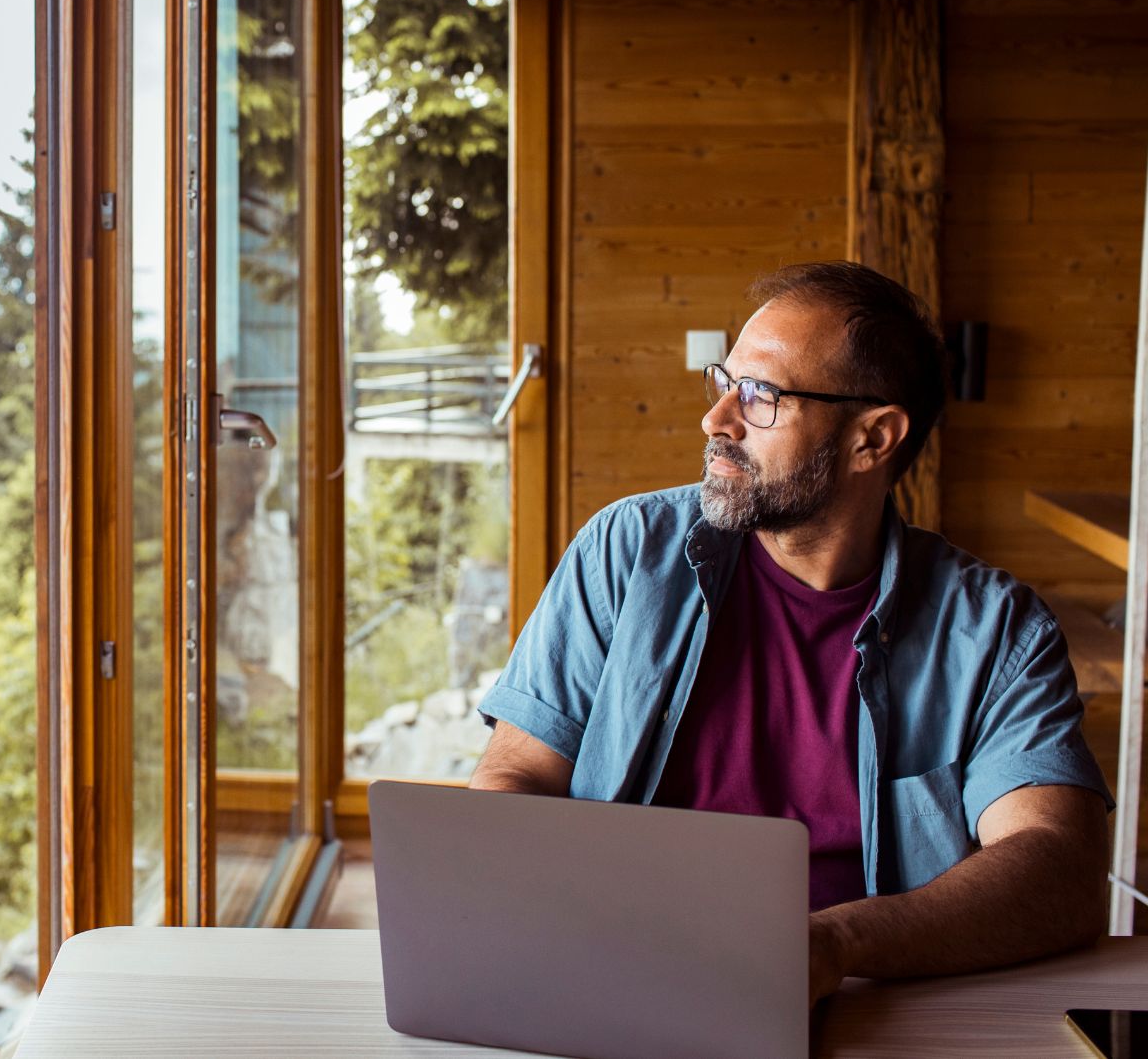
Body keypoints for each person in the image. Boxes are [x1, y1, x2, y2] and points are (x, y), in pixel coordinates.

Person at [469, 261, 1110, 1006]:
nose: (717, 420)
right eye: (725, 382)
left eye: (762, 396)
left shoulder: (996, 631)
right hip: (617, 974)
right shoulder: (627, 550)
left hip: (877, 1001)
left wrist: (835, 945)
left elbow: (1058, 866)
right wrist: (508, 915)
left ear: (873, 439)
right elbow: (515, 774)